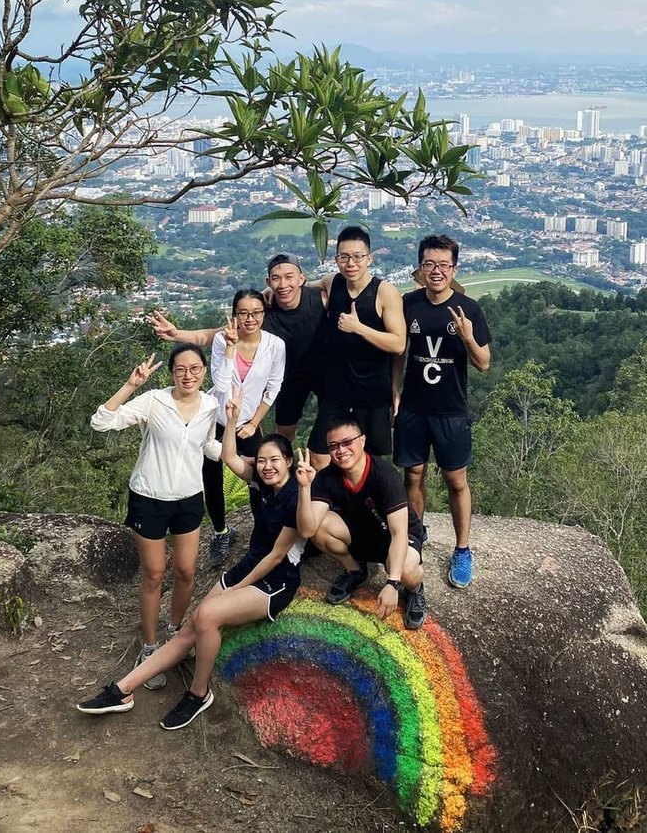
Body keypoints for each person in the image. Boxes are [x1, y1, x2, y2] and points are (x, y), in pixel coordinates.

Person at [76, 398, 305, 729]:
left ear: (288, 462)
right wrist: (232, 418)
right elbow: (228, 456)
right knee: (188, 629)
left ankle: (199, 694)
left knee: (206, 615)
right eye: (263, 460)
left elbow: (277, 555)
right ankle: (122, 690)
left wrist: (235, 589)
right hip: (248, 566)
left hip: (276, 581)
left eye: (276, 460)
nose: (268, 466)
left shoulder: (296, 497)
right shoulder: (260, 481)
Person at [89, 345, 220, 689]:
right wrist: (131, 385)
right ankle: (149, 647)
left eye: (195, 368)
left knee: (187, 571)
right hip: (149, 497)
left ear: (204, 371)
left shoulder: (210, 405)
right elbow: (102, 422)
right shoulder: (154, 401)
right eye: (180, 369)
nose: (188, 375)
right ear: (172, 373)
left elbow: (208, 446)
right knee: (154, 573)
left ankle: (174, 633)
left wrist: (246, 455)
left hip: (190, 499)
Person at [393, 234, 491, 590]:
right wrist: (395, 392)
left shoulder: (470, 309)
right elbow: (398, 352)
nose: (436, 271)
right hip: (414, 409)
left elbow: (483, 363)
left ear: (454, 269)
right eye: (429, 264)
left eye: (444, 265)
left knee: (456, 480)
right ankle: (415, 539)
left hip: (451, 410)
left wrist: (467, 336)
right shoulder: (408, 304)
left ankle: (463, 549)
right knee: (413, 475)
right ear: (420, 268)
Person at [147, 253, 325, 444]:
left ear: (302, 278)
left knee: (330, 432)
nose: (283, 284)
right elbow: (212, 335)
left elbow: (337, 282)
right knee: (284, 435)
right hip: (288, 380)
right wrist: (176, 334)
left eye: (289, 277)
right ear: (268, 281)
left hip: (324, 373)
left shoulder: (320, 300)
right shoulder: (260, 313)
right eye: (276, 279)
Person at [295, 419, 426, 630]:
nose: (341, 450)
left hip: (395, 537)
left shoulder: (384, 476)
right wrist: (304, 488)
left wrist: (392, 583)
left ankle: (415, 589)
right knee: (319, 528)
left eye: (347, 442)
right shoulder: (327, 477)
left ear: (362, 441)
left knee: (406, 571)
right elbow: (307, 529)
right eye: (334, 446)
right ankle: (355, 571)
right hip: (360, 534)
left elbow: (399, 533)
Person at [307, 225, 405, 471]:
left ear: (369, 258)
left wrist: (359, 328)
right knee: (319, 454)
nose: (350, 263)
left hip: (372, 392)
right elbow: (304, 285)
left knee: (369, 462)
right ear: (336, 258)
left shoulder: (385, 293)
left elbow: (399, 343)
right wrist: (268, 292)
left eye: (357, 257)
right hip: (337, 391)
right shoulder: (334, 282)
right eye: (344, 257)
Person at [203, 289, 285, 566]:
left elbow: (273, 388)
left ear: (264, 314)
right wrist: (230, 346)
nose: (250, 319)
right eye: (243, 313)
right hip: (216, 420)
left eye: (256, 313)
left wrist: (254, 423)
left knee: (257, 479)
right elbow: (222, 384)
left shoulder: (275, 345)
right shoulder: (220, 340)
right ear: (234, 314)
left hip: (249, 423)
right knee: (211, 476)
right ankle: (220, 531)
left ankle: (263, 533)